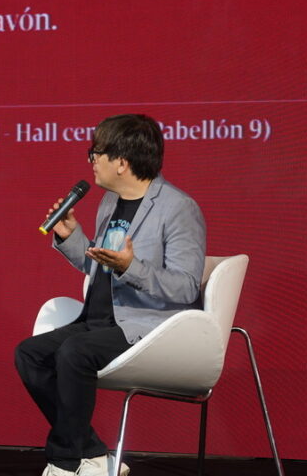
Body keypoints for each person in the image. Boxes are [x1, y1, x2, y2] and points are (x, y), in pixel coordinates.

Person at [15, 114, 207, 476]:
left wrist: (130, 267)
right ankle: (94, 455)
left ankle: (64, 462)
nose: (91, 162)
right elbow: (98, 266)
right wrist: (71, 236)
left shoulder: (178, 208)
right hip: (97, 320)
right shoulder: (109, 203)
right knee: (30, 354)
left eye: (96, 153)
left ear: (121, 162)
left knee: (74, 353)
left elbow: (185, 286)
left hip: (145, 327)